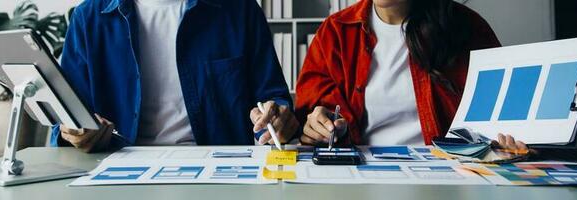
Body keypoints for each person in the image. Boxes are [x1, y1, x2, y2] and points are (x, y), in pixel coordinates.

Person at [53, 0, 299, 152]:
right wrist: (75, 134)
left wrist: (277, 117)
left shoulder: (240, 9)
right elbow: (68, 117)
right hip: (117, 164)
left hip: (220, 167)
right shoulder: (88, 18)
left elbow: (273, 97)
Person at [296, 0, 527, 151]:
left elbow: (506, 112)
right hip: (364, 174)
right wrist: (318, 128)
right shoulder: (335, 31)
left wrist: (512, 141)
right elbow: (311, 120)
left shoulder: (466, 26)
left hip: (453, 174)